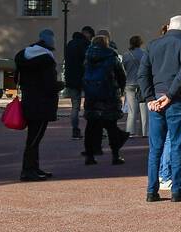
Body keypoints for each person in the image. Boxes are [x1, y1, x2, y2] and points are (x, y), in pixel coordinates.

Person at [138, 15, 181, 203]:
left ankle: (151, 190)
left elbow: (142, 74)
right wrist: (170, 95)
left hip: (156, 100)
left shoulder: (153, 45)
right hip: (176, 100)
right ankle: (177, 189)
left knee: (155, 147)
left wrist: (149, 98)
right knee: (178, 145)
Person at [14, 29, 61, 181]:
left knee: (33, 137)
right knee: (34, 139)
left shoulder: (23, 57)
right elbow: (49, 85)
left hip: (29, 101)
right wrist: (60, 85)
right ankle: (28, 170)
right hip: (42, 104)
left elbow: (17, 79)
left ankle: (33, 167)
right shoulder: (46, 60)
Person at [82, 34, 129, 164]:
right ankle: (115, 155)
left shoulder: (87, 57)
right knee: (111, 126)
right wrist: (119, 89)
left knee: (91, 126)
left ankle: (90, 156)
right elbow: (122, 76)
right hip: (109, 96)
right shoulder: (112, 57)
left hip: (92, 96)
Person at [62, 27, 92, 140]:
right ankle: (92, 129)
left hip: (71, 78)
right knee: (90, 105)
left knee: (75, 107)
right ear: (88, 34)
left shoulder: (70, 44)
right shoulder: (86, 44)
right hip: (85, 78)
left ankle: (75, 130)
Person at [121, 36, 149, 138]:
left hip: (129, 83)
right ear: (140, 43)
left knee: (132, 110)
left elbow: (124, 68)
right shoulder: (144, 54)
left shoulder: (126, 55)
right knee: (144, 109)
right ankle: (144, 131)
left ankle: (130, 131)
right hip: (141, 83)